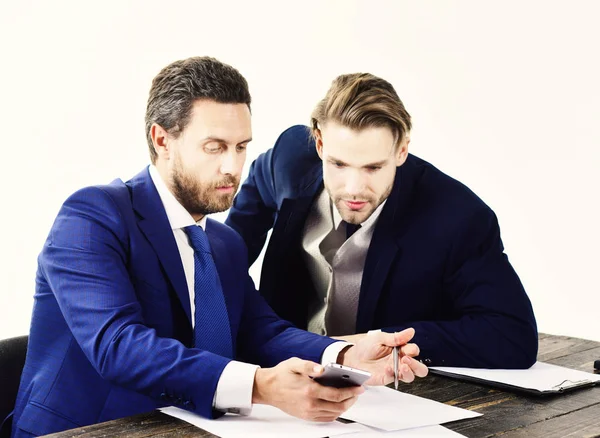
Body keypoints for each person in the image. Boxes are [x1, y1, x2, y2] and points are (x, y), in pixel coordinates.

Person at [6, 58, 428, 438]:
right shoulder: (93, 216)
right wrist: (261, 386)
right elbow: (119, 345)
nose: (233, 166)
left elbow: (261, 329)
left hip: (191, 428)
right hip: (85, 430)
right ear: (161, 140)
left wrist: (346, 353)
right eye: (215, 147)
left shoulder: (222, 243)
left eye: (241, 147)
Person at [225, 72, 539, 370]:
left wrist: (379, 343)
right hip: (280, 372)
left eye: (373, 167)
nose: (353, 188)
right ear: (319, 144)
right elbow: (225, 259)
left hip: (388, 394)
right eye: (338, 164)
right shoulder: (289, 159)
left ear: (401, 151)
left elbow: (512, 334)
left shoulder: (458, 218)